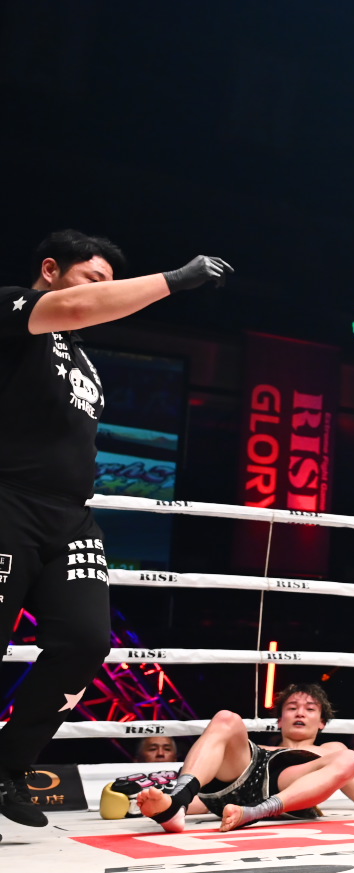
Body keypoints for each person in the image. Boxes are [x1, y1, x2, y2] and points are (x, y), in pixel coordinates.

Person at [0, 230, 232, 830]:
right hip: (8, 501)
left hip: (72, 517)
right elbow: (76, 307)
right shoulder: (12, 309)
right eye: (94, 278)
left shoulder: (84, 361)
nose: (107, 293)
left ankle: (8, 766)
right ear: (50, 270)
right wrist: (176, 281)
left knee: (85, 640)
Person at [137, 684, 354, 832]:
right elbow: (209, 802)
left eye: (310, 709)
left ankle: (256, 812)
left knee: (349, 757)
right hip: (240, 778)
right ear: (280, 720)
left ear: (322, 722)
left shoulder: (330, 750)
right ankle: (177, 802)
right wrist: (150, 802)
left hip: (283, 790)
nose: (300, 713)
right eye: (292, 708)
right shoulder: (256, 749)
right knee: (226, 718)